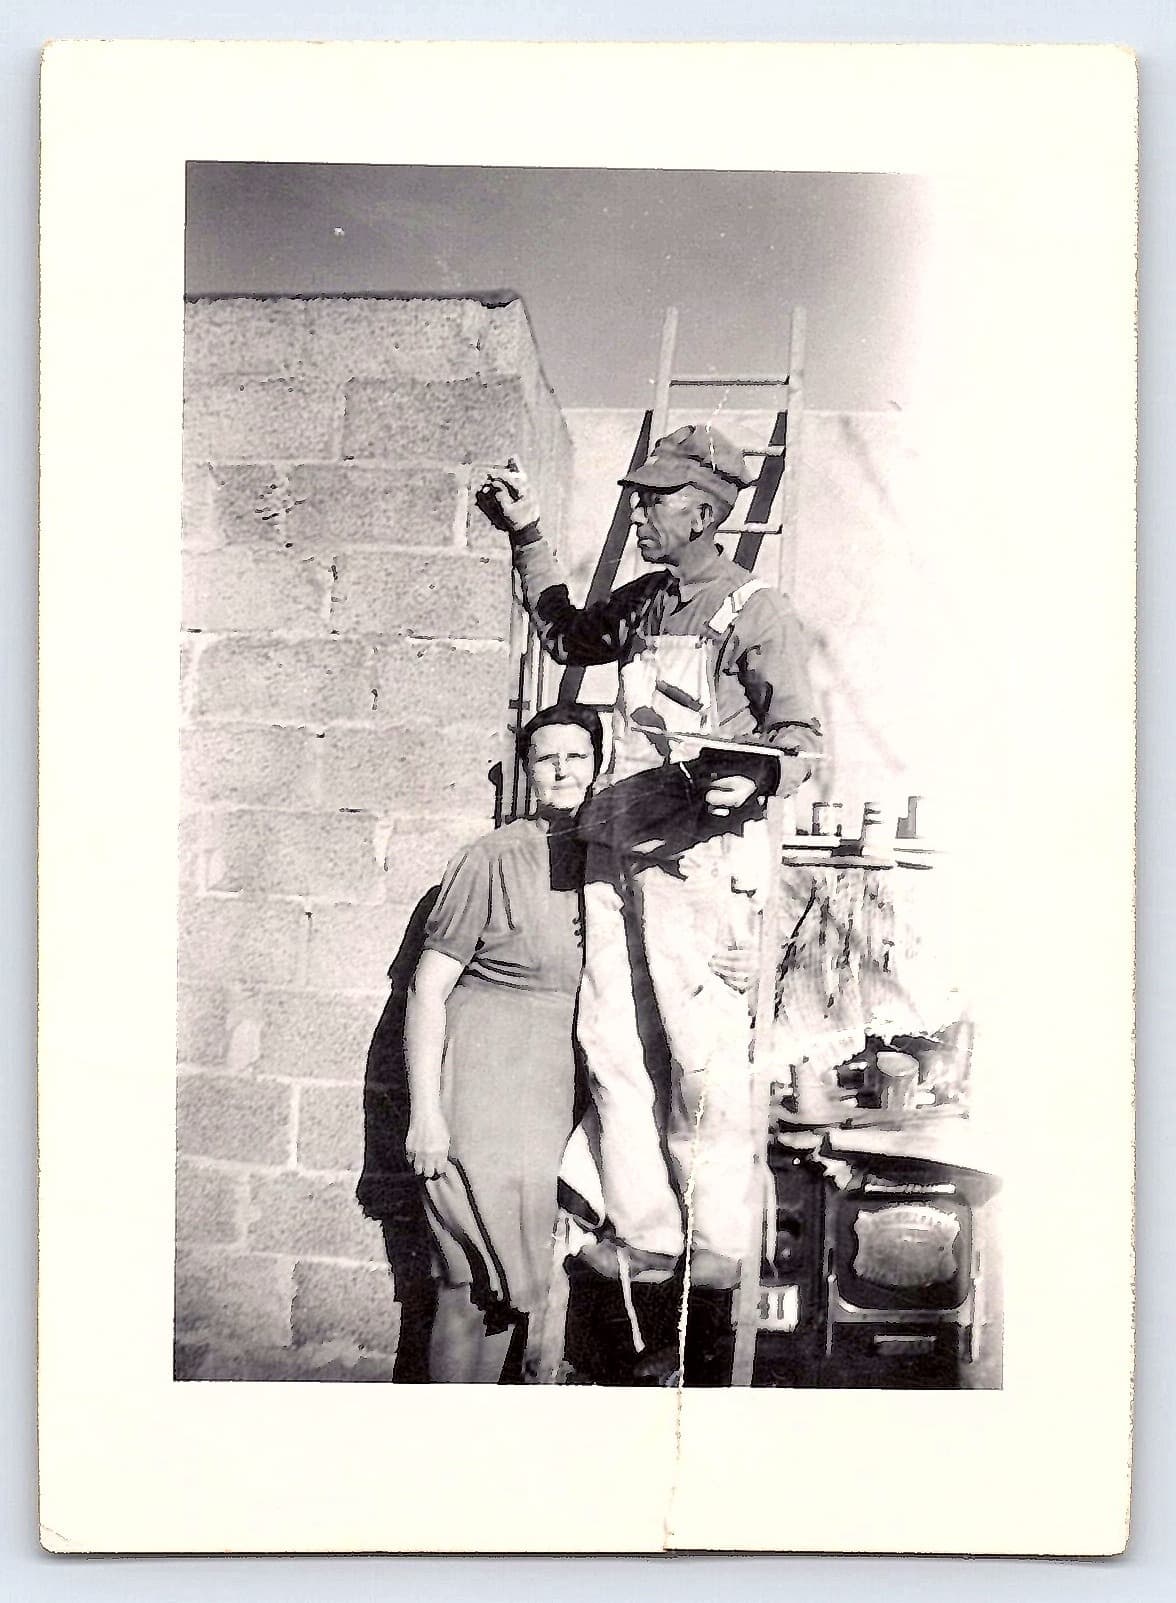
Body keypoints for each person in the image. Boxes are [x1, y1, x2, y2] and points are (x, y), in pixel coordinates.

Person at [480, 424, 822, 1296]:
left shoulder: (758, 613)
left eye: (655, 498)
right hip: (617, 847)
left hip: (697, 864)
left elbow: (801, 743)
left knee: (698, 1049)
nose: (637, 509)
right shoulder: (646, 603)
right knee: (613, 1042)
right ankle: (644, 1230)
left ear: (704, 512)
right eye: (638, 493)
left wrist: (748, 783)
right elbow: (564, 637)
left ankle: (715, 1239)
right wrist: (526, 533)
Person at [403, 705, 602, 1383]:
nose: (563, 769)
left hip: (550, 1100)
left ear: (597, 765)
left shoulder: (608, 865)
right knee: (467, 1283)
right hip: (484, 1089)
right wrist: (426, 1113)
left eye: (577, 755)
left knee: (513, 1285)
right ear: (528, 770)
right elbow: (427, 989)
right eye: (548, 757)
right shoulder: (488, 858)